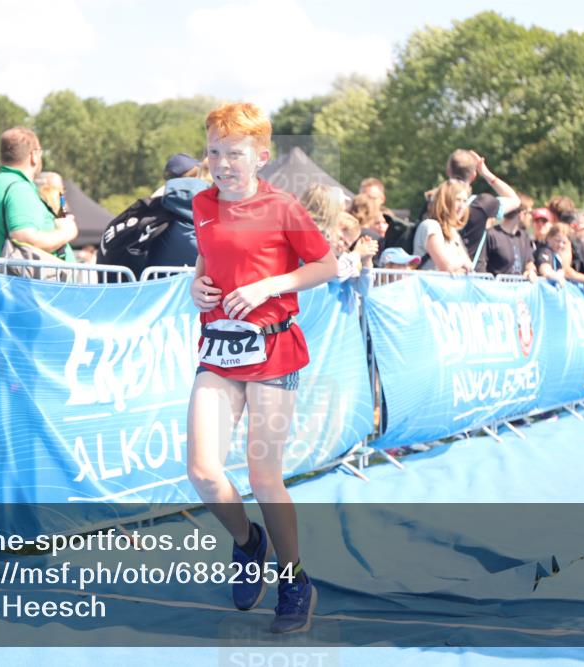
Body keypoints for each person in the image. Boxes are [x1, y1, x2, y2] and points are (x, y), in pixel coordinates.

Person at [186, 102, 336, 635]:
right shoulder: (201, 203)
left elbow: (326, 264)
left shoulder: (283, 206)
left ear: (261, 157)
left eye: (234, 154)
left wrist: (270, 286)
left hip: (273, 352)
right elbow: (208, 256)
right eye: (214, 152)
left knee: (263, 477)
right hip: (219, 351)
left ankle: (294, 580)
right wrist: (196, 284)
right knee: (204, 472)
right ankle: (250, 543)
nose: (222, 164)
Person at [0, 127, 77, 261]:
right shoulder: (19, 188)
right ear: (34, 156)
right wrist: (66, 232)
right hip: (22, 274)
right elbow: (24, 237)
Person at [430, 149, 520, 266]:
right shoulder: (483, 204)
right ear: (473, 176)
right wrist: (486, 172)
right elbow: (515, 200)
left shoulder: (435, 201)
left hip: (438, 271)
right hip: (472, 272)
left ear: (448, 171)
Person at [412, 179, 474, 273]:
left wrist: (463, 266)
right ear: (445, 202)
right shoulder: (430, 226)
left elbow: (470, 267)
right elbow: (447, 267)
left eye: (465, 201)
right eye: (458, 200)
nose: (462, 206)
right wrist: (462, 263)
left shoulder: (453, 232)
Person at [476, 195, 537, 279]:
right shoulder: (491, 235)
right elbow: (481, 267)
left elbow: (529, 262)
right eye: (530, 213)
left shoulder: (524, 237)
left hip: (520, 287)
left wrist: (530, 271)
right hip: (496, 286)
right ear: (522, 214)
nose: (531, 217)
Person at [535, 223, 584, 290]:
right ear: (548, 238)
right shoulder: (545, 251)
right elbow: (545, 269)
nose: (560, 245)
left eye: (564, 242)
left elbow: (566, 271)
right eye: (557, 241)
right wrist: (555, 276)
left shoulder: (556, 255)